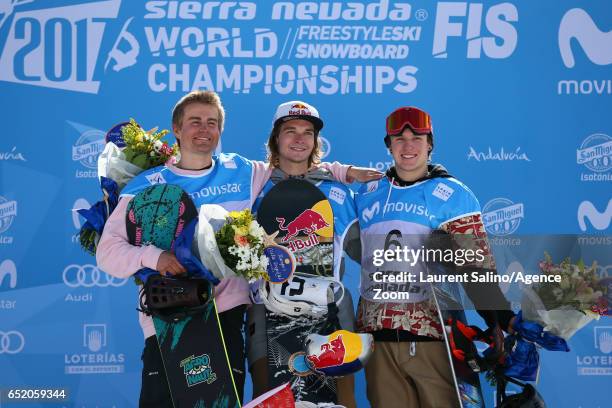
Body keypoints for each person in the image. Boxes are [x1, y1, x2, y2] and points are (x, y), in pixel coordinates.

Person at [95, 90, 379, 407]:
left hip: (226, 318)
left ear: (220, 130)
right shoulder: (147, 185)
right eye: (195, 122)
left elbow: (297, 166)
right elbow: (107, 253)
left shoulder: (243, 172)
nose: (204, 129)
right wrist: (155, 256)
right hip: (168, 320)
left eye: (212, 122)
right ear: (176, 128)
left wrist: (343, 171)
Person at [354, 106, 515, 408]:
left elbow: (477, 267)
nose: (408, 145)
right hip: (378, 338)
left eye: (417, 137)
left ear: (430, 143)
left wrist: (500, 319)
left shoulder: (454, 194)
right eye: (399, 139)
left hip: (435, 336)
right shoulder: (367, 194)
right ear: (388, 145)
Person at [247, 101, 359, 407]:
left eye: (307, 132)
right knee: (269, 399)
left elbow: (366, 251)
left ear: (315, 141)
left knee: (340, 401)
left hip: (330, 312)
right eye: (290, 131)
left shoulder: (339, 192)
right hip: (266, 311)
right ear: (275, 139)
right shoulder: (253, 188)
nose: (299, 139)